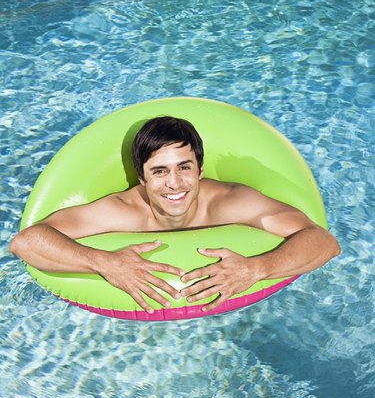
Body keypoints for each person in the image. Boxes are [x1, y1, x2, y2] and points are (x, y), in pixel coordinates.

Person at [10, 116, 340, 314]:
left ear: (200, 169)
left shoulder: (230, 203)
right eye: (159, 171)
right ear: (142, 177)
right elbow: (28, 241)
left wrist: (257, 268)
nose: (174, 184)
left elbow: (323, 242)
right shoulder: (122, 213)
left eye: (184, 168)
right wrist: (104, 262)